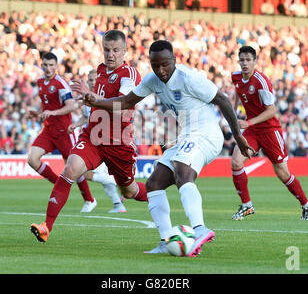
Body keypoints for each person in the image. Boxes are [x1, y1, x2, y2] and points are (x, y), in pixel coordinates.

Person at [82, 40, 254, 257]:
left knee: (183, 170)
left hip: (207, 134)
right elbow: (126, 101)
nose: (161, 71)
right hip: (186, 136)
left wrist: (237, 135)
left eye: (165, 64)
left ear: (174, 60)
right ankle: (166, 240)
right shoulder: (153, 79)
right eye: (156, 65)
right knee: (154, 183)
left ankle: (200, 230)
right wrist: (96, 102)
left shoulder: (188, 78)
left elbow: (223, 99)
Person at [30, 30, 147, 243]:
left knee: (130, 191)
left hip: (117, 142)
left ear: (125, 51)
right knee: (70, 169)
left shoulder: (129, 74)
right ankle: (47, 226)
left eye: (115, 50)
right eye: (106, 50)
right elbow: (96, 102)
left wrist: (93, 98)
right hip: (92, 136)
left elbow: (123, 104)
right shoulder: (101, 70)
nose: (110, 55)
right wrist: (87, 98)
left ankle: (157, 193)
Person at [230, 46, 308, 221]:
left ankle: (306, 204)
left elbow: (272, 110)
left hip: (269, 130)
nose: (244, 63)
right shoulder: (236, 77)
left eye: (248, 60)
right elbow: (239, 94)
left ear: (255, 62)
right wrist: (236, 112)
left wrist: (248, 122)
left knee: (282, 173)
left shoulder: (261, 81)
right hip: (252, 130)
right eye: (242, 60)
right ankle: (247, 206)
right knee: (236, 162)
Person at [27, 52, 96, 214]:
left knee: (74, 167)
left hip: (65, 130)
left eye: (51, 65)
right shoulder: (40, 82)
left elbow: (71, 106)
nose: (48, 68)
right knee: (32, 159)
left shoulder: (61, 84)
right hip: (49, 131)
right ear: (41, 65)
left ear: (56, 66)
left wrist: (53, 113)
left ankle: (89, 199)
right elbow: (46, 106)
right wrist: (37, 113)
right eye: (45, 65)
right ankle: (59, 183)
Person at [68, 69, 127, 213]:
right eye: (90, 80)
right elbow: (86, 116)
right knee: (96, 176)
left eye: (95, 79)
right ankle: (118, 205)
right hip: (94, 141)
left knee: (83, 172)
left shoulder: (105, 98)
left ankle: (115, 183)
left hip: (104, 142)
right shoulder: (88, 97)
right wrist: (75, 125)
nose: (92, 82)